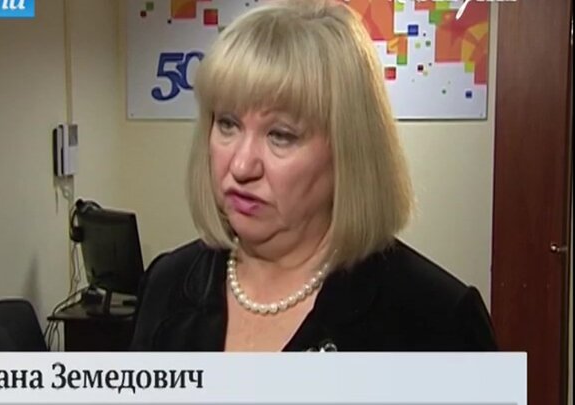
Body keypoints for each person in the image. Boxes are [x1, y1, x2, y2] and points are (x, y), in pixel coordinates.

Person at [129, 0, 497, 352]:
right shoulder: (166, 283)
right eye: (227, 124)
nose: (241, 167)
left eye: (280, 135)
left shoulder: (438, 319)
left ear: (348, 152)